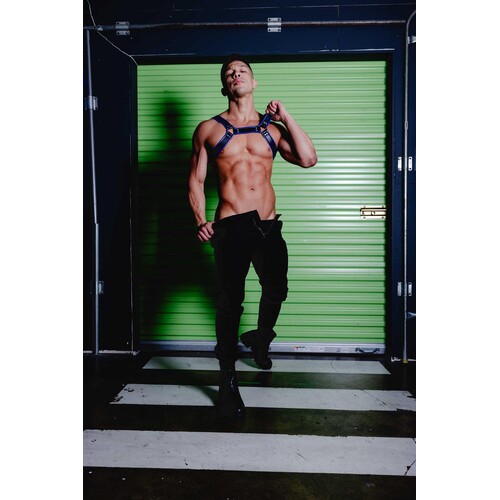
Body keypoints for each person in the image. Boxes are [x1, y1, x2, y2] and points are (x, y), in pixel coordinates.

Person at [188, 55, 317, 419]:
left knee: (277, 290)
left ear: (254, 82)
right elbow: (196, 179)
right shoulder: (209, 129)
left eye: (242, 70)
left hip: (267, 225)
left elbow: (308, 159)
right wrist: (200, 220)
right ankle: (227, 378)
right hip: (231, 225)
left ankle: (261, 337)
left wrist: (286, 117)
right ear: (224, 86)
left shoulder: (271, 130)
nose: (236, 74)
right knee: (230, 303)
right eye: (230, 72)